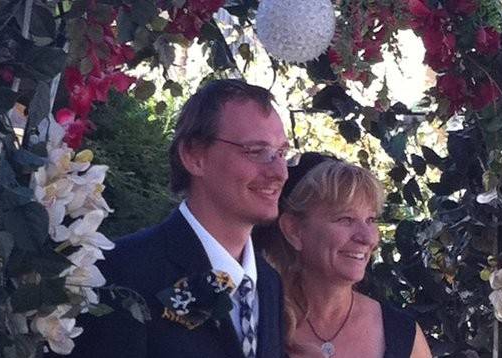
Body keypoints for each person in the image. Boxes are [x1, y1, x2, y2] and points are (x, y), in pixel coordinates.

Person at [67, 79, 289, 358]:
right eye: (257, 151)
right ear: (194, 156)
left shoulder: (268, 284)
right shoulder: (120, 271)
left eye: (282, 153)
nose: (280, 172)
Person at [256, 152, 431, 358]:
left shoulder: (401, 332)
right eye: (346, 219)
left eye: (371, 220)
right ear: (293, 230)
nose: (367, 238)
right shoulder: (253, 320)